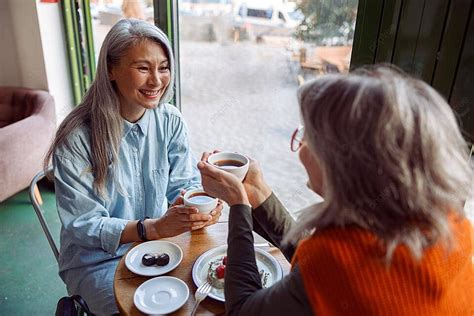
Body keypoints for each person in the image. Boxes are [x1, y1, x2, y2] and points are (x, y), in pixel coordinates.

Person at [198, 66, 473, 315]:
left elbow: (243, 311)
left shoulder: (340, 263)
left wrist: (238, 205)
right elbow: (323, 266)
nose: (301, 145)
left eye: (308, 136)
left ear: (345, 164)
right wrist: (259, 194)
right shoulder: (451, 223)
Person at [44, 19, 223, 315]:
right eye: (143, 68)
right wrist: (150, 228)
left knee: (205, 297)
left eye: (163, 67)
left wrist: (201, 202)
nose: (156, 81)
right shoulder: (77, 137)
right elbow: (83, 225)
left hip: (160, 247)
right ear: (111, 71)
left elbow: (183, 184)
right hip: (98, 262)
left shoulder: (170, 120)